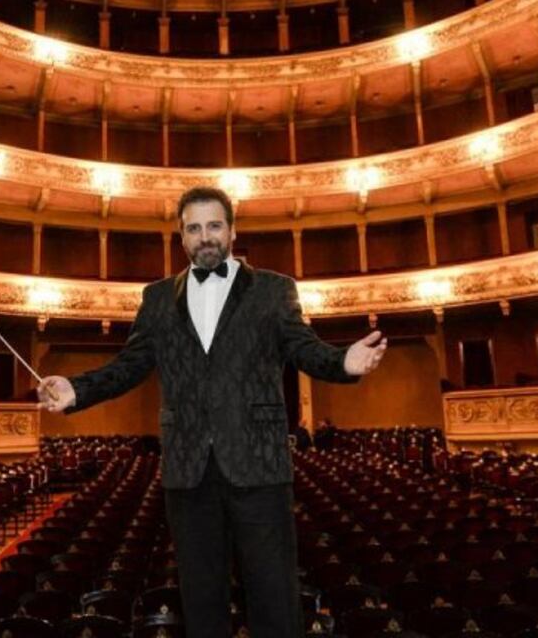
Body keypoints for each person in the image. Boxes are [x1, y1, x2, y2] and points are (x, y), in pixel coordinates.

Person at [36, 186, 387, 638]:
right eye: (194, 228)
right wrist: (75, 390)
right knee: (201, 604)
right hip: (188, 471)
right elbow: (130, 366)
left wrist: (342, 362)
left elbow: (303, 349)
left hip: (258, 467)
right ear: (181, 238)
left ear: (232, 231)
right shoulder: (158, 298)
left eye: (214, 225)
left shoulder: (273, 290)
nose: (205, 237)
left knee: (275, 600)